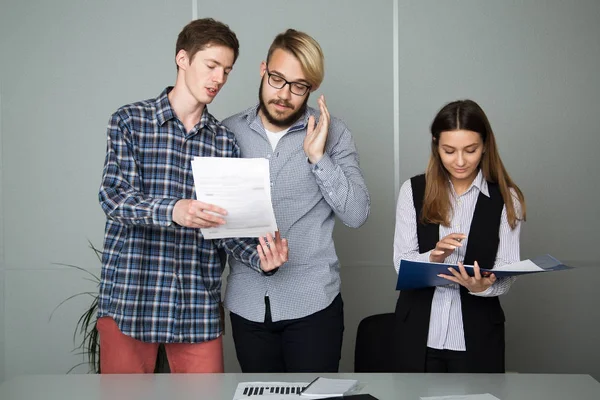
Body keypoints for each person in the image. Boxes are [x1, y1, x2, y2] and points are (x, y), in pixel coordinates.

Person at [97, 18, 288, 374]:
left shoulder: (224, 142)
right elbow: (113, 197)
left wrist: (261, 258)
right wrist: (174, 210)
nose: (219, 79)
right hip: (131, 298)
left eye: (227, 71)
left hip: (195, 306)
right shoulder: (130, 121)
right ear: (182, 59)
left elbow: (228, 230)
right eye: (211, 66)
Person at [221, 29, 370, 372]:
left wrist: (319, 158)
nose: (284, 94)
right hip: (247, 305)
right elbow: (217, 220)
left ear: (311, 89)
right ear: (263, 70)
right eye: (277, 79)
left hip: (314, 304)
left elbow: (357, 214)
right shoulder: (227, 133)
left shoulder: (334, 134)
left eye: (298, 86)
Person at [392, 99, 526, 373]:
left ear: (485, 144)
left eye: (471, 150)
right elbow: (400, 264)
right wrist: (434, 256)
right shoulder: (413, 190)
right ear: (436, 145)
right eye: (449, 151)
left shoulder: (507, 198)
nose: (461, 161)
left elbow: (507, 270)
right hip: (418, 333)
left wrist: (483, 287)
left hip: (477, 337)